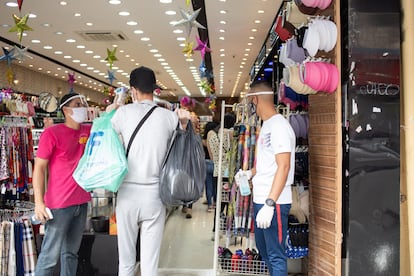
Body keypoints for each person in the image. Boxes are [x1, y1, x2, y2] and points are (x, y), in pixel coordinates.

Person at [111, 66, 190, 276]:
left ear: (133, 90)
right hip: (155, 194)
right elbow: (179, 144)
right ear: (154, 90)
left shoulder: (122, 114)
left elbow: (106, 138)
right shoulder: (168, 117)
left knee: (126, 261)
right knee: (150, 263)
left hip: (127, 193)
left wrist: (115, 105)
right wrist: (183, 122)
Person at [238, 80, 295, 275]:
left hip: (274, 202)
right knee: (265, 252)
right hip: (261, 199)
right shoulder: (267, 126)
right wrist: (249, 173)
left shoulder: (279, 126)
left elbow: (284, 165)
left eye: (249, 101)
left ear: (254, 99)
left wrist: (271, 203)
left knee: (275, 255)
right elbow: (265, 164)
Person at [33, 92, 92, 276]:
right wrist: (39, 203)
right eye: (77, 104)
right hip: (59, 204)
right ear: (66, 110)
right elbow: (39, 168)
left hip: (81, 202)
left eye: (83, 102)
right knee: (49, 256)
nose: (82, 107)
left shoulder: (88, 130)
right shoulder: (52, 133)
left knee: (71, 253)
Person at [207, 111, 236, 239]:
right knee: (229, 201)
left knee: (218, 201)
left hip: (217, 171)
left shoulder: (211, 134)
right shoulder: (230, 134)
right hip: (228, 172)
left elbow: (212, 155)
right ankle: (227, 229)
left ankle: (215, 230)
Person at [202, 119, 219, 211]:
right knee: (216, 184)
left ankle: (209, 204)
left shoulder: (203, 141)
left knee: (208, 185)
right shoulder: (215, 138)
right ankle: (216, 201)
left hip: (206, 163)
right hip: (214, 163)